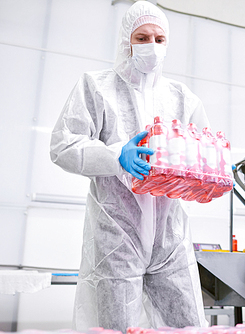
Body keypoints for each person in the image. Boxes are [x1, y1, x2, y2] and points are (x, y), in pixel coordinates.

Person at [50, 1, 209, 332]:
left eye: (159, 39)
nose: (151, 46)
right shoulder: (96, 87)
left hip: (171, 240)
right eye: (142, 37)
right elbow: (63, 145)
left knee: (188, 326)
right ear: (126, 41)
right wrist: (115, 155)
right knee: (115, 328)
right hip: (117, 238)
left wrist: (210, 176)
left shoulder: (183, 98)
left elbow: (203, 155)